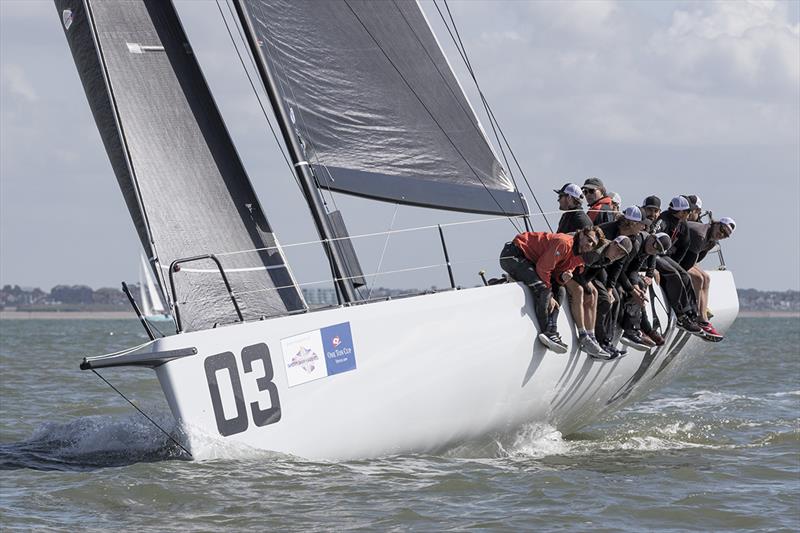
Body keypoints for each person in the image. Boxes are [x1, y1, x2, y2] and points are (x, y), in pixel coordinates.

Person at [499, 227, 606, 353]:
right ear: (581, 234)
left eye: (593, 244)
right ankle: (548, 332)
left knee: (561, 291)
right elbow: (543, 269)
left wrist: (562, 277)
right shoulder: (564, 243)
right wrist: (549, 296)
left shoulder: (578, 257)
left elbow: (557, 275)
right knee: (544, 290)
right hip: (514, 255)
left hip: (530, 261)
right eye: (589, 240)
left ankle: (552, 327)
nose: (589, 244)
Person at [595, 206, 648, 353]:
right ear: (632, 223)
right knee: (610, 299)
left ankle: (611, 338)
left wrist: (614, 287)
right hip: (594, 266)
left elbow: (619, 266)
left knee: (617, 296)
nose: (644, 227)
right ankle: (602, 340)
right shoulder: (605, 231)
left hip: (608, 270)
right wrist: (611, 289)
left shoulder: (634, 241)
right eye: (642, 223)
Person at [570, 235, 633, 359]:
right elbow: (575, 267)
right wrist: (585, 287)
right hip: (567, 267)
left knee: (600, 295)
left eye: (622, 254)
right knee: (599, 298)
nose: (618, 255)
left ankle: (598, 339)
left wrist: (606, 289)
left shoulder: (608, 256)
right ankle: (592, 338)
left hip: (581, 272)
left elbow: (592, 273)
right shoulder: (596, 252)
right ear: (613, 243)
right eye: (618, 250)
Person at [652, 196, 705, 336]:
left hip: (665, 256)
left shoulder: (682, 223)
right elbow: (652, 241)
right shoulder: (663, 220)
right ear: (680, 212)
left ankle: (692, 315)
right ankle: (681, 316)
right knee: (674, 275)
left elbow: (685, 244)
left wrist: (676, 262)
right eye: (688, 212)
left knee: (684, 276)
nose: (689, 215)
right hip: (655, 255)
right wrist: (653, 267)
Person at [680, 217, 736, 340]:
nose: (721, 234)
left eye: (725, 235)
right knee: (699, 279)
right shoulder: (701, 235)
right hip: (674, 255)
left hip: (684, 258)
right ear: (716, 224)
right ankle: (699, 316)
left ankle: (703, 317)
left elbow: (695, 260)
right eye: (721, 229)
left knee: (706, 278)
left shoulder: (712, 242)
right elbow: (686, 264)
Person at [618, 232, 672, 348]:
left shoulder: (648, 247)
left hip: (623, 272)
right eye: (655, 245)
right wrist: (633, 290)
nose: (653, 250)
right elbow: (619, 270)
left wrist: (637, 287)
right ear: (652, 236)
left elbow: (633, 271)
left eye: (657, 251)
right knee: (635, 290)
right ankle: (632, 330)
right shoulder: (637, 244)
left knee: (640, 286)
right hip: (612, 270)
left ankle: (643, 326)